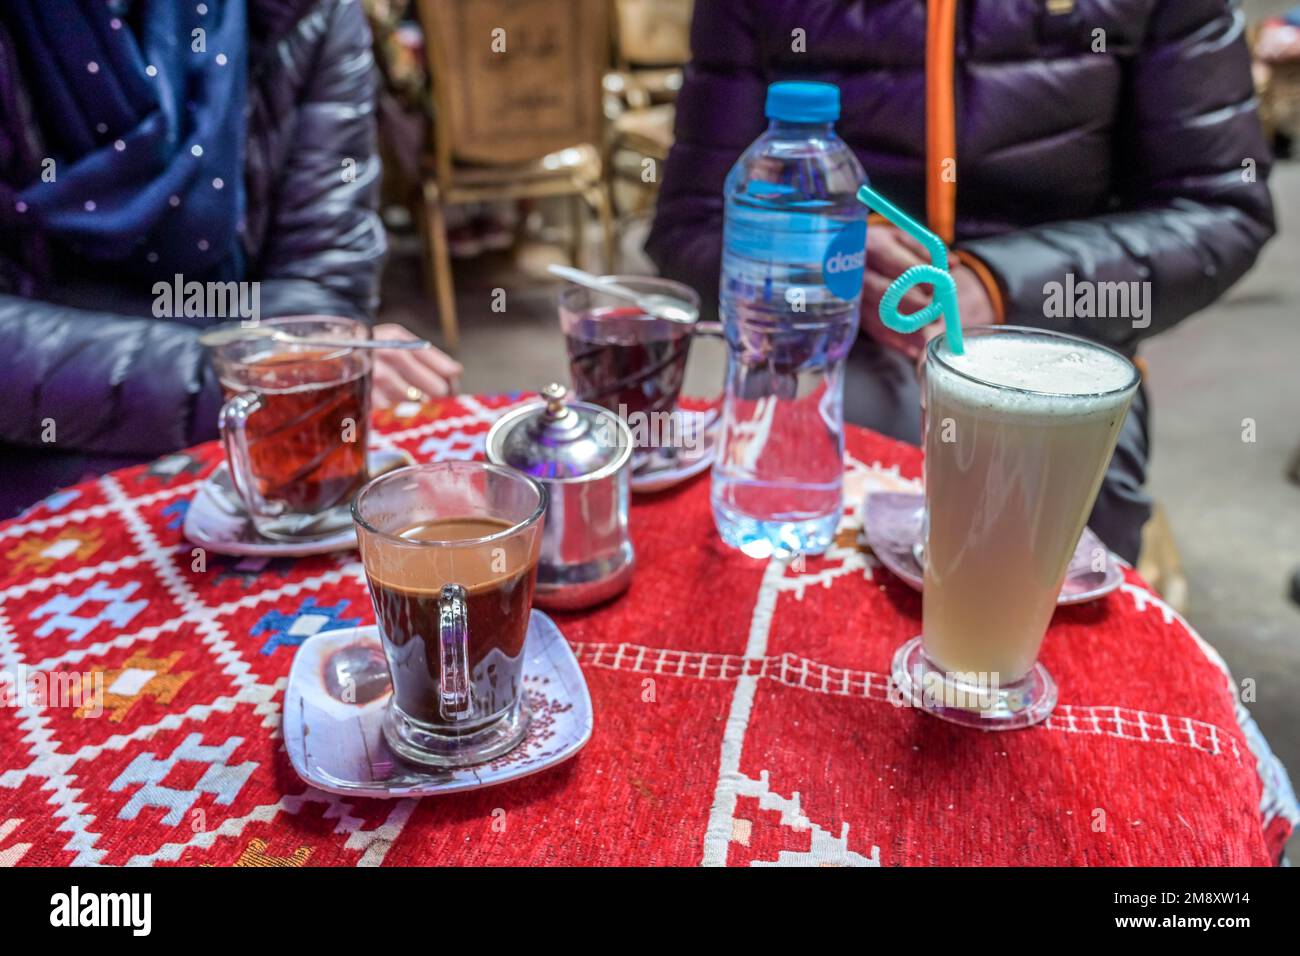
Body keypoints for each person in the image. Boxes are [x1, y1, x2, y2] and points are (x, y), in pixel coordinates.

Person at [647, 0, 1275, 563]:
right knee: (796, 537)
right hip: (830, 353)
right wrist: (815, 257)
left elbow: (1222, 209)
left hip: (1055, 341)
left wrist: (1001, 285)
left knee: (1056, 541)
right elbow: (690, 224)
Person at [0, 0, 460, 516]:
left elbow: (321, 271)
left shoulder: (303, 13)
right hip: (36, 458)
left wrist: (288, 363)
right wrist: (249, 373)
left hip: (257, 442)